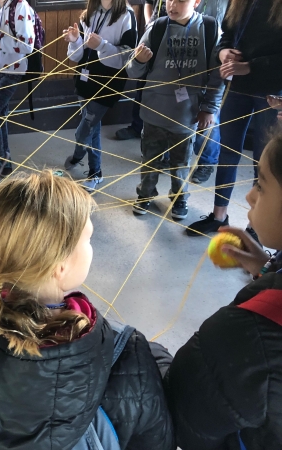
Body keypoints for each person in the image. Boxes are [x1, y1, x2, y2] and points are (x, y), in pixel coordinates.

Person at [0, 171, 174, 450]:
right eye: (88, 239)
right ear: (60, 265)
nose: (91, 248)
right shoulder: (126, 352)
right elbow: (155, 441)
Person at [165, 129, 282, 449]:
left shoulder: (245, 334)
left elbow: (184, 413)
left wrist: (139, 350)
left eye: (260, 182)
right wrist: (269, 268)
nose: (249, 196)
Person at [187, 0, 282, 236]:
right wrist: (223, 52)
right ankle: (219, 216)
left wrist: (252, 66)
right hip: (237, 87)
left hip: (271, 89)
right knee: (227, 152)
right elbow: (227, 34)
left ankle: (255, 228)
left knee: (264, 160)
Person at [127, 0, 224, 220]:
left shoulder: (209, 29)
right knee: (149, 159)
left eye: (180, 0)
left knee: (181, 163)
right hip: (153, 112)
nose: (172, 5)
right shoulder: (157, 27)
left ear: (197, 2)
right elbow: (132, 71)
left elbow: (218, 76)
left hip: (186, 115)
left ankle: (179, 197)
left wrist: (210, 108)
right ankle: (145, 193)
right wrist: (139, 61)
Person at [62, 0, 137, 190]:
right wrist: (75, 41)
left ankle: (79, 155)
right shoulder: (89, 13)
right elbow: (77, 56)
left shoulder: (127, 16)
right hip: (84, 79)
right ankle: (96, 172)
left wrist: (101, 45)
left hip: (107, 84)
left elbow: (126, 58)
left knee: (86, 128)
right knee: (92, 128)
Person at [0, 0, 35, 178]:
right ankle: (7, 163)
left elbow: (27, 45)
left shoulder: (20, 6)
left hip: (12, 70)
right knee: (0, 116)